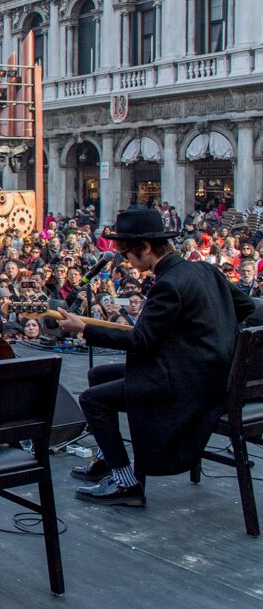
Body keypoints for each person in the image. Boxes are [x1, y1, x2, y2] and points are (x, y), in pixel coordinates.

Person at [59, 207, 255, 507]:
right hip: (213, 376)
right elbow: (246, 308)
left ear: (147, 248)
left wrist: (85, 328)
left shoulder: (168, 284)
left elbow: (140, 341)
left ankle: (126, 483)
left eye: (127, 253)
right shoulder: (204, 270)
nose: (125, 260)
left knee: (92, 399)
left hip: (186, 387)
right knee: (98, 376)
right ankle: (107, 457)